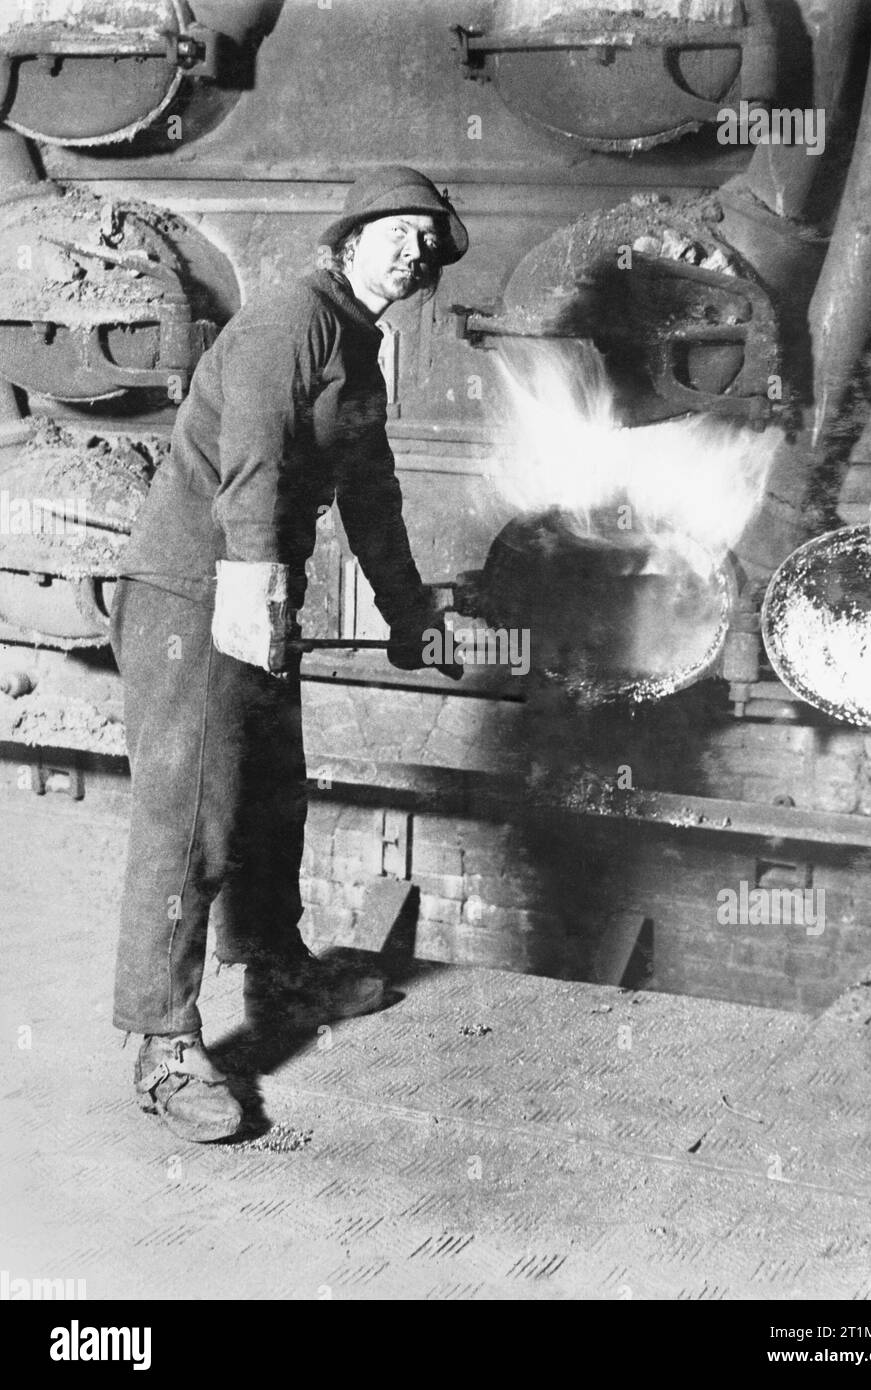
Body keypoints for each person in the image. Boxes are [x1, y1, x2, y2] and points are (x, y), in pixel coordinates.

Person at [110, 166, 468, 1142]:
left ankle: (276, 971)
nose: (415, 250)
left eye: (429, 240)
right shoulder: (290, 318)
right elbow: (256, 458)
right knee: (191, 820)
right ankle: (162, 1042)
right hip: (194, 591)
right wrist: (254, 582)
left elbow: (373, 495)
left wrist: (409, 616)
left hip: (250, 592)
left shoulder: (356, 345)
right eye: (399, 230)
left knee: (271, 796)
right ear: (350, 235)